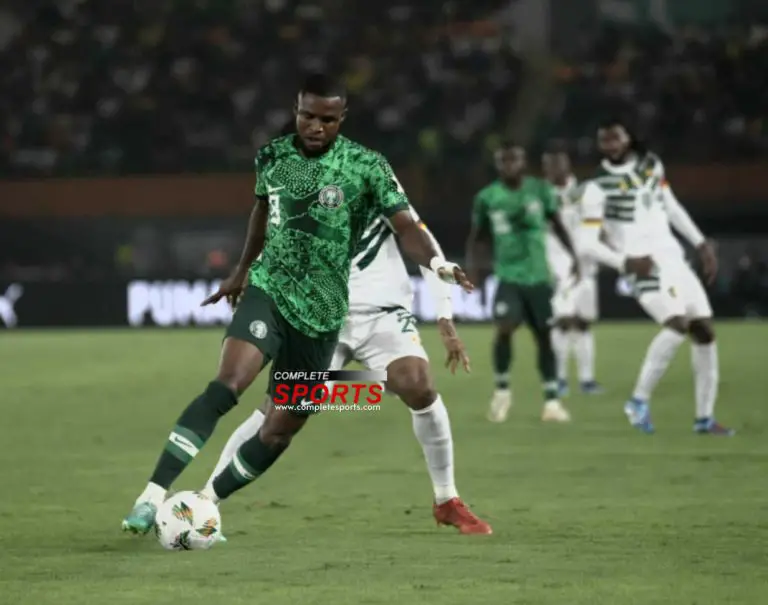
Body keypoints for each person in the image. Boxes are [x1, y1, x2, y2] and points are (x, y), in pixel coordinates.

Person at [121, 73, 474, 534]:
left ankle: (442, 493)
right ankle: (164, 497)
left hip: (338, 313)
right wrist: (242, 271)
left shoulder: (368, 170)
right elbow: (261, 211)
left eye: (327, 119)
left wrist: (441, 279)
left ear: (342, 119)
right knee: (232, 387)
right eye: (308, 116)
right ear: (296, 111)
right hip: (277, 292)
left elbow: (412, 230)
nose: (315, 126)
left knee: (296, 418)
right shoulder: (272, 157)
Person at [205, 208, 492, 535]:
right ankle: (206, 499)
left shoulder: (378, 184)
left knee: (418, 384)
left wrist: (444, 314)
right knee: (278, 414)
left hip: (383, 315)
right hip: (320, 317)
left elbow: (417, 237)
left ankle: (446, 499)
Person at [577, 117, 734, 435]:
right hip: (643, 265)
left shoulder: (651, 165)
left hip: (673, 258)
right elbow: (587, 243)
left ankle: (704, 419)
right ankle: (638, 401)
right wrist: (625, 262)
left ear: (628, 139)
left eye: (615, 138)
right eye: (604, 140)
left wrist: (700, 243)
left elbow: (671, 207)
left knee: (704, 331)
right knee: (677, 324)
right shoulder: (596, 188)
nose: (610, 145)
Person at [466, 141, 578, 424]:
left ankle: (552, 402)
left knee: (544, 336)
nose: (509, 165)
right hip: (508, 277)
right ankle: (502, 392)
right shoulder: (487, 197)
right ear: (498, 164)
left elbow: (557, 224)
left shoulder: (540, 190)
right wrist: (474, 271)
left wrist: (574, 255)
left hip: (539, 277)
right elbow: (478, 237)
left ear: (523, 162)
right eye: (504, 161)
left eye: (514, 160)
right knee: (505, 327)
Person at [543, 146, 603, 396]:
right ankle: (560, 379)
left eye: (556, 164)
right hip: (557, 266)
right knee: (563, 321)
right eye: (548, 165)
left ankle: (587, 380)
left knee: (583, 323)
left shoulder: (585, 192)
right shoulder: (541, 196)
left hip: (586, 265)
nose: (552, 169)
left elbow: (599, 226)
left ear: (567, 165)